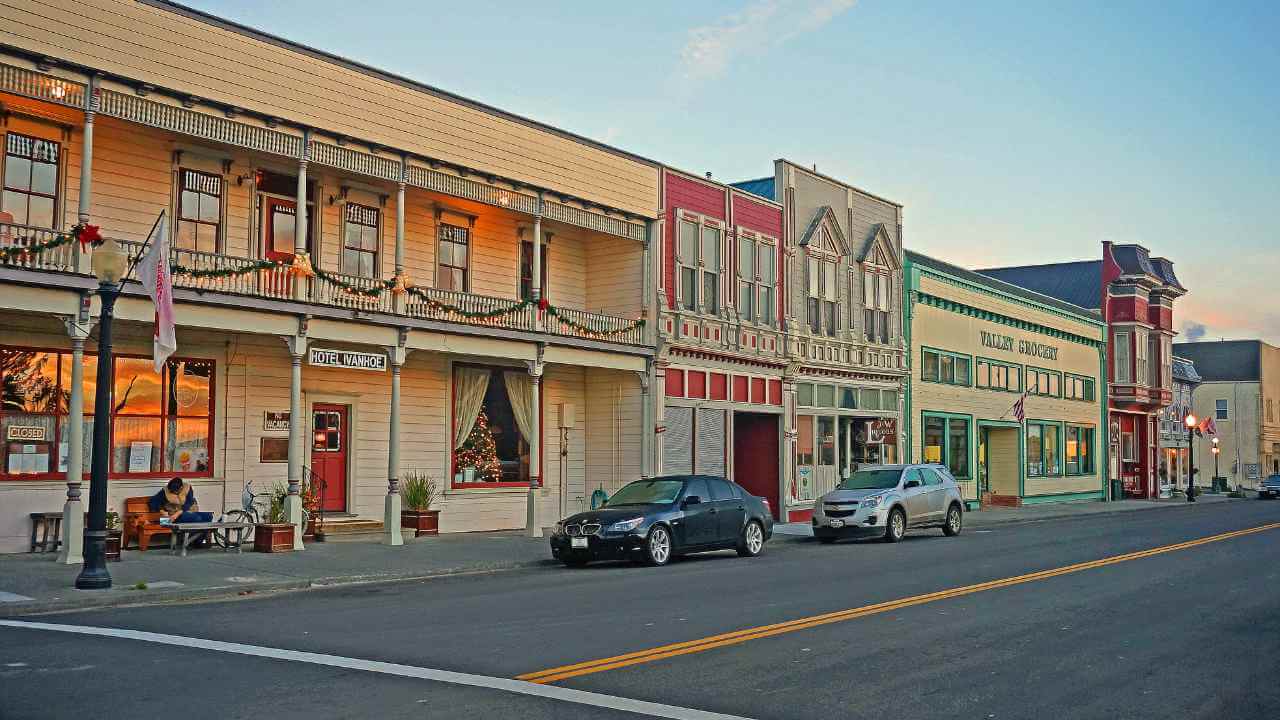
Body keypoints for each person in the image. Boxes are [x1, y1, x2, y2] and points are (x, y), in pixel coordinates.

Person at [149, 477, 214, 544]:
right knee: (197, 518)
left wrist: (178, 513)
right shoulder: (164, 491)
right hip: (173, 518)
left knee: (209, 516)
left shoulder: (187, 487)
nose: (174, 492)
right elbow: (153, 501)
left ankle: (197, 540)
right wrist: (162, 511)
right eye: (172, 491)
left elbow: (189, 502)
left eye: (176, 491)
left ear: (181, 487)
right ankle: (194, 541)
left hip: (186, 513)